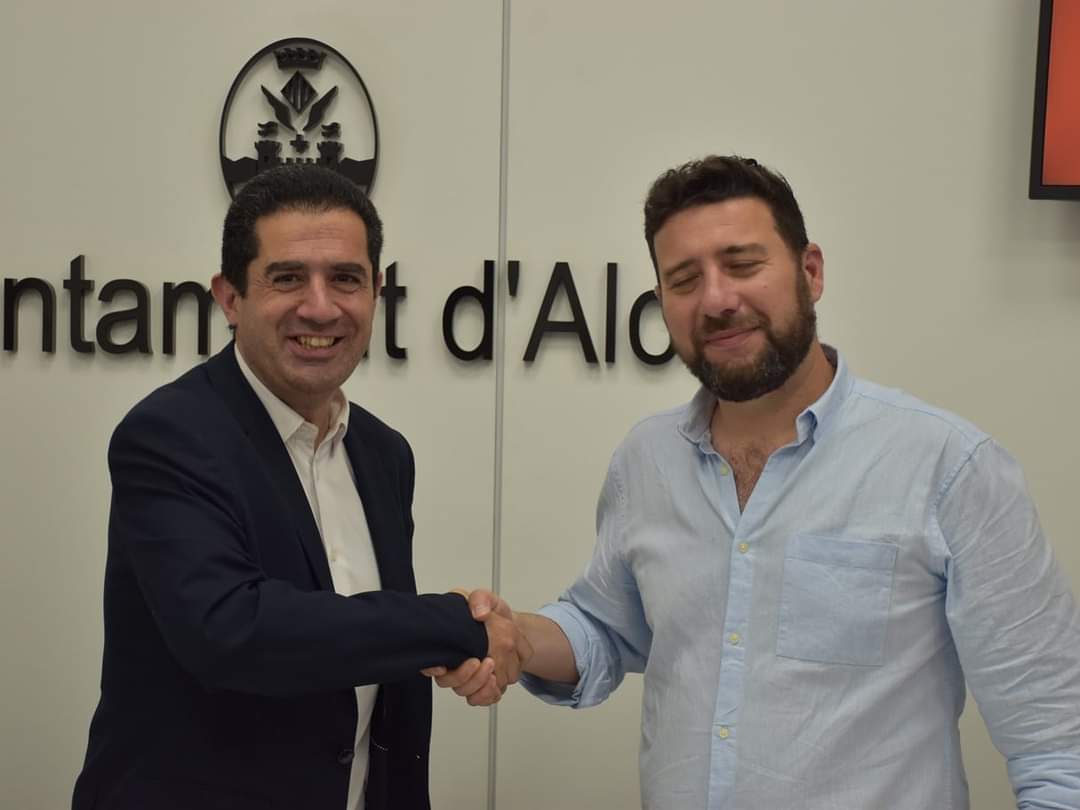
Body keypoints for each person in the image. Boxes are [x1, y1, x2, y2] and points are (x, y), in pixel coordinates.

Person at [429, 156, 1080, 808]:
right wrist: (512, 636)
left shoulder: (948, 467)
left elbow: (1059, 744)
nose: (716, 300)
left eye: (742, 265)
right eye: (685, 280)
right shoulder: (646, 460)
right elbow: (604, 626)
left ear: (810, 272)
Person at [72, 164, 528, 810]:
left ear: (377, 293)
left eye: (346, 278)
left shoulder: (384, 454)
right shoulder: (169, 436)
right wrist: (453, 627)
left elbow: (372, 660)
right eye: (287, 278)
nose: (320, 306)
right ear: (230, 297)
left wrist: (453, 651)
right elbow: (234, 631)